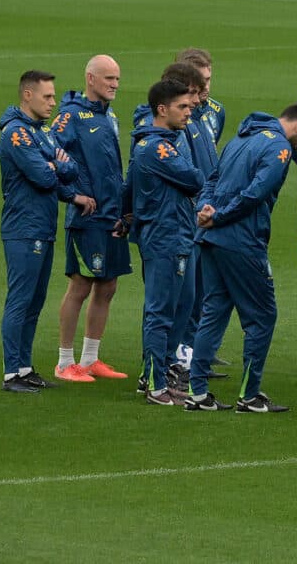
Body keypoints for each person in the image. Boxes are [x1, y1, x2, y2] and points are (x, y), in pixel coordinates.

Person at [183, 107, 297, 414]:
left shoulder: (240, 138)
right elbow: (256, 192)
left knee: (214, 312)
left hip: (211, 239)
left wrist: (205, 208)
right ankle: (249, 395)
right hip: (240, 241)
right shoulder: (279, 146)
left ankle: (197, 392)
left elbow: (212, 179)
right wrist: (220, 217)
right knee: (262, 317)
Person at [0, 69, 88, 393]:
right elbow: (43, 177)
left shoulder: (42, 133)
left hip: (41, 226)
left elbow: (70, 167)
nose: (53, 102)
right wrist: (54, 166)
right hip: (24, 228)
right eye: (47, 96)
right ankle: (12, 373)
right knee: (20, 300)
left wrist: (58, 169)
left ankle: (25, 367)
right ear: (27, 95)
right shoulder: (17, 134)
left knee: (34, 301)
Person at [52, 55, 130, 383]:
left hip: (112, 213)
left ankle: (90, 359)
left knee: (108, 285)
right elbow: (48, 153)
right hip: (87, 217)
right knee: (81, 285)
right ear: (90, 79)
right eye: (109, 78)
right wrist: (73, 194)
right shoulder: (71, 116)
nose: (114, 84)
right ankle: (64, 361)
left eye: (117, 79)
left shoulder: (108, 115)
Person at [126, 76, 202, 404]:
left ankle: (159, 371)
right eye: (182, 107)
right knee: (160, 311)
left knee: (180, 305)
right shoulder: (156, 147)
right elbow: (194, 178)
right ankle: (154, 384)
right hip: (164, 237)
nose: (188, 112)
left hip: (177, 234)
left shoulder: (167, 140)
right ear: (162, 109)